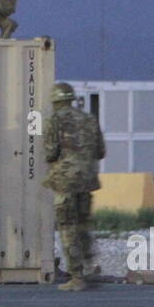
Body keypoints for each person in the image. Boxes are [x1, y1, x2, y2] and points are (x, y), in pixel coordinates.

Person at [43, 82, 105, 291]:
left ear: (55, 101)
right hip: (87, 180)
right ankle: (88, 269)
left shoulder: (55, 120)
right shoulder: (89, 119)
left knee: (67, 227)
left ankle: (76, 276)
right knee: (83, 225)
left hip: (65, 181)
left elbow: (50, 152)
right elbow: (100, 151)